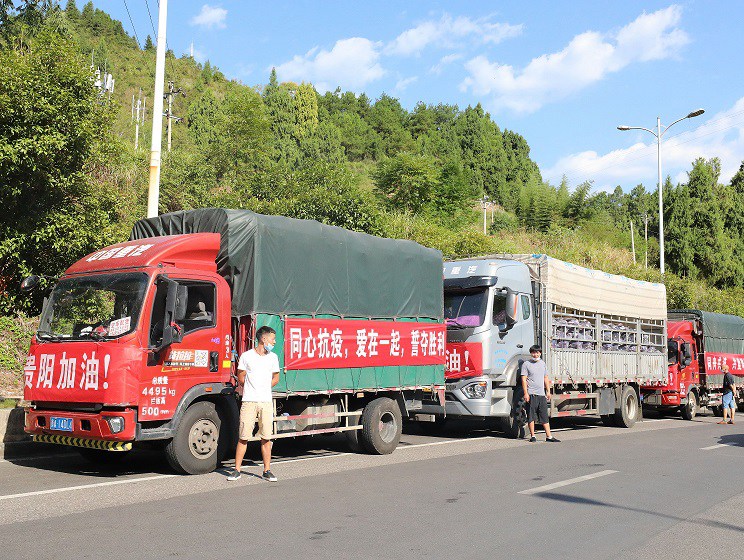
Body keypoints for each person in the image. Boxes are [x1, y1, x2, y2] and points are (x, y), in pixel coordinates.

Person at [227, 326, 281, 481]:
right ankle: (237, 470)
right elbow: (241, 376)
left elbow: (276, 378)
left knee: (266, 437)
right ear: (263, 339)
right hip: (249, 401)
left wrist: (264, 387)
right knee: (243, 436)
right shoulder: (246, 356)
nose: (274, 342)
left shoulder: (273, 357)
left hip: (265, 402)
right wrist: (252, 388)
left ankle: (267, 470)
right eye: (272, 339)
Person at [521, 345, 560, 443]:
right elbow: (524, 380)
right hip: (531, 394)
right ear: (531, 353)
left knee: (544, 416)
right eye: (533, 352)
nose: (535, 354)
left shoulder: (542, 363)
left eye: (537, 352)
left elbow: (546, 378)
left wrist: (548, 391)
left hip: (541, 394)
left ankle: (549, 436)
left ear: (540, 353)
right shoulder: (526, 364)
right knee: (531, 415)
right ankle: (533, 436)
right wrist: (526, 393)